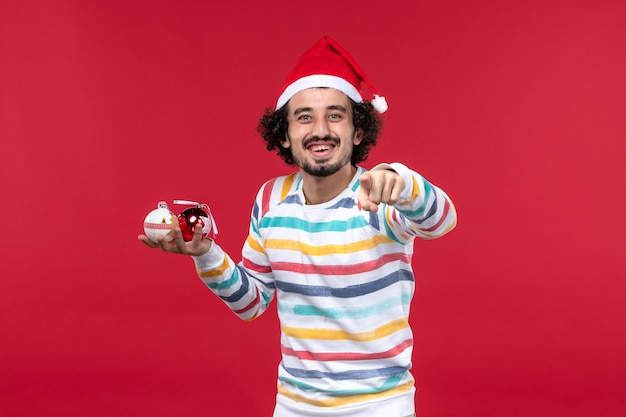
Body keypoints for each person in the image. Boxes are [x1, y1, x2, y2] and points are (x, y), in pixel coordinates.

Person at [139, 35, 457, 417]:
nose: (320, 129)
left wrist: (403, 182)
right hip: (294, 405)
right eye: (304, 117)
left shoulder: (381, 193)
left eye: (335, 115)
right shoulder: (270, 199)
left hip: (381, 405)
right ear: (285, 136)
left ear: (357, 131)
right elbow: (251, 303)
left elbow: (442, 221)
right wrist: (206, 253)